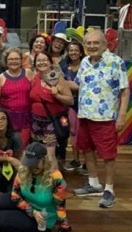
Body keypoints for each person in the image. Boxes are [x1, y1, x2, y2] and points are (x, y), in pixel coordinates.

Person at [73, 29, 129, 209]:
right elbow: (77, 84)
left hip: (105, 117)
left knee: (108, 154)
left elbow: (124, 90)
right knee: (86, 149)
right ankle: (94, 183)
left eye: (96, 43)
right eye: (88, 43)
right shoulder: (84, 62)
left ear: (105, 44)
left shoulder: (116, 62)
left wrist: (122, 115)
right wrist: (55, 81)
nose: (92, 46)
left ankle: (109, 189)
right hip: (85, 114)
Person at [0, 142, 71, 232]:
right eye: (30, 162)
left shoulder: (56, 178)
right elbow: (15, 195)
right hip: (25, 203)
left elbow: (60, 206)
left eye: (36, 162)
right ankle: (15, 215)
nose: (33, 167)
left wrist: (64, 226)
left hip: (42, 217)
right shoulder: (24, 169)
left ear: (45, 160)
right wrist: (31, 211)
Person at [29, 52, 74, 169]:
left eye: (45, 60)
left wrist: (57, 95)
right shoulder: (35, 78)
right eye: (39, 60)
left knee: (50, 155)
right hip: (36, 121)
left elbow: (70, 100)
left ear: (50, 63)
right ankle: (41, 177)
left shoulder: (58, 78)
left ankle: (54, 178)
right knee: (38, 153)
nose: (42, 62)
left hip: (52, 121)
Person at [0, 47, 34, 148]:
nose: (14, 61)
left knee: (22, 146)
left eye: (16, 59)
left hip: (26, 118)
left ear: (21, 60)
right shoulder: (1, 78)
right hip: (8, 119)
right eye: (11, 59)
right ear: (6, 61)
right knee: (8, 147)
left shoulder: (29, 73)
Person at [61, 41, 85, 173]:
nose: (73, 52)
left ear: (81, 52)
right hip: (70, 105)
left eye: (76, 50)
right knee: (73, 131)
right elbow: (61, 83)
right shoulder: (65, 67)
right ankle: (76, 160)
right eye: (71, 50)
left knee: (85, 133)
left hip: (85, 105)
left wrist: (69, 84)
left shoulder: (86, 66)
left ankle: (87, 163)